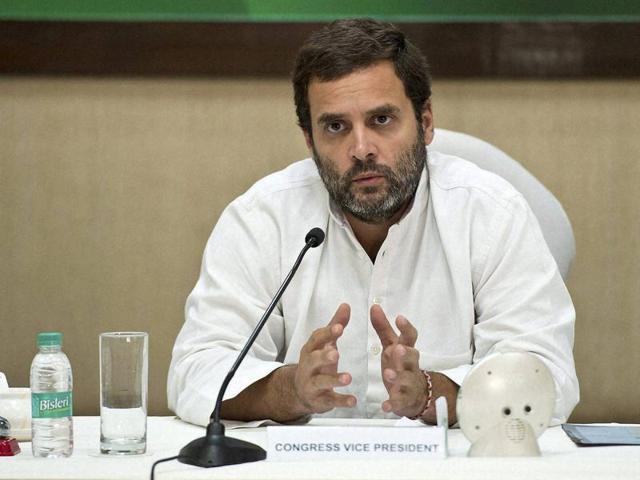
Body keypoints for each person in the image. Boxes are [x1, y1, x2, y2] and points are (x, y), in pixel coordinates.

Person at [167, 18, 579, 427]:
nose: (361, 149)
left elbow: (544, 376)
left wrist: (432, 395)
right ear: (309, 140)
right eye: (335, 126)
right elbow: (196, 371)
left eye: (381, 120)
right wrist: (290, 390)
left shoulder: (492, 214)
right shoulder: (262, 219)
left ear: (426, 121)